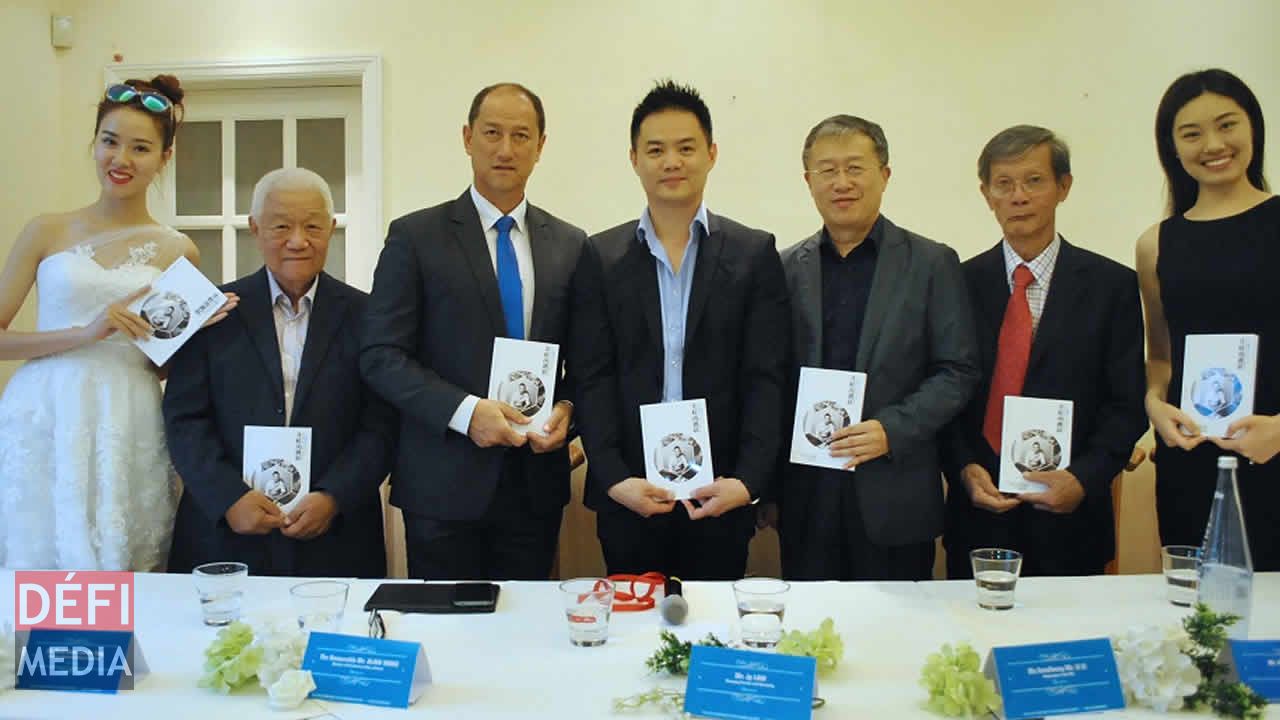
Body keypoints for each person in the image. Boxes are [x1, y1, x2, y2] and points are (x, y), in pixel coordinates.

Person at [0, 75, 237, 571]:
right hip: (46, 411)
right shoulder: (46, 230)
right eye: (110, 141)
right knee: (37, 558)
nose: (121, 159)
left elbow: (161, 366)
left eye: (140, 148)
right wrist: (85, 334)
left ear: (164, 157)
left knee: (121, 562)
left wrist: (191, 338)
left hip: (128, 411)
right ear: (94, 144)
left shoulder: (178, 249)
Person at [361, 83, 587, 580]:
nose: (505, 149)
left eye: (520, 136)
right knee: (446, 623)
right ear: (467, 138)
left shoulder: (570, 245)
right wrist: (466, 413)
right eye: (491, 133)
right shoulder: (415, 237)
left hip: (534, 483)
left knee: (525, 621)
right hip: (442, 482)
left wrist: (569, 410)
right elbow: (381, 355)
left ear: (540, 146)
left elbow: (589, 358)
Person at [571, 80, 791, 580]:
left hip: (719, 495)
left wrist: (747, 482)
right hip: (629, 494)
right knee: (634, 624)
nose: (671, 162)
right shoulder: (600, 256)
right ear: (634, 159)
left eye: (686, 148)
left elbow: (767, 378)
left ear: (711, 154)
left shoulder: (753, 254)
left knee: (713, 624)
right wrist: (613, 478)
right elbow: (591, 376)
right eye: (655, 150)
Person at [164, 168, 395, 578]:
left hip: (336, 535)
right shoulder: (214, 312)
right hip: (226, 532)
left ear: (332, 228)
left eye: (312, 226)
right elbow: (185, 419)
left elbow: (382, 423)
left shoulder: (368, 316)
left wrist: (334, 496)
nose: (298, 241)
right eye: (282, 226)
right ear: (255, 228)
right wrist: (228, 498)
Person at [778, 114, 979, 581]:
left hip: (894, 487)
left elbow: (958, 369)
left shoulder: (931, 263)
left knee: (898, 623)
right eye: (827, 170)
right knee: (811, 621)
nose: (841, 183)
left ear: (884, 175)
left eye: (855, 168)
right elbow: (771, 379)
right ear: (808, 181)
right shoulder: (783, 268)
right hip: (808, 493)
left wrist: (892, 429)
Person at [943, 125, 1146, 578]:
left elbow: (1128, 404)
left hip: (1072, 520)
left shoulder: (1112, 286)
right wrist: (963, 468)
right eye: (1004, 183)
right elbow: (944, 391)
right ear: (986, 194)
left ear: (1063, 187)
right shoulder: (957, 282)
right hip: (979, 513)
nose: (1018, 196)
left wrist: (1084, 479)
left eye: (1034, 181)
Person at [1137, 68, 1280, 571]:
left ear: (1253, 128)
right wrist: (1154, 405)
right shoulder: (1156, 243)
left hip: (1275, 450)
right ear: (1172, 147)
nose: (1214, 145)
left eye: (1227, 125)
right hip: (1191, 458)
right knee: (1198, 604)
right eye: (1192, 133)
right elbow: (1161, 355)